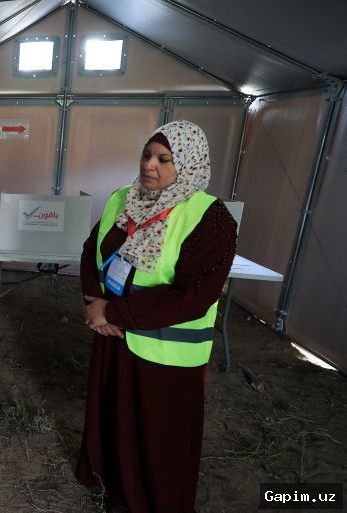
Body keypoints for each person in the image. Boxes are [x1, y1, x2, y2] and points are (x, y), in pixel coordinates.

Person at [76, 120, 237, 513]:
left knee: (157, 435)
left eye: (164, 159)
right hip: (115, 337)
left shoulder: (210, 217)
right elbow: (91, 250)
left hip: (166, 353)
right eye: (147, 155)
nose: (150, 166)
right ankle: (112, 483)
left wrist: (113, 312)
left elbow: (193, 295)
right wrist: (95, 302)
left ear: (190, 163)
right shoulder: (124, 198)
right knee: (116, 417)